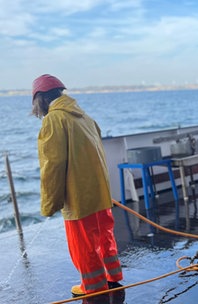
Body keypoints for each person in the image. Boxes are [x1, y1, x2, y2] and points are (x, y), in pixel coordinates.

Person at [31, 74, 123, 297]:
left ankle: (93, 289)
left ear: (40, 99)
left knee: (84, 246)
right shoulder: (86, 118)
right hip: (100, 195)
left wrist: (49, 204)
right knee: (105, 238)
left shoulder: (54, 120)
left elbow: (52, 166)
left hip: (79, 198)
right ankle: (112, 277)